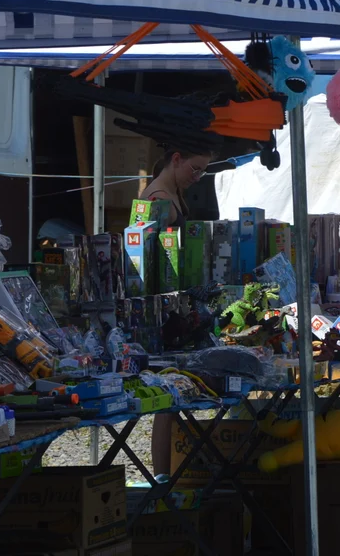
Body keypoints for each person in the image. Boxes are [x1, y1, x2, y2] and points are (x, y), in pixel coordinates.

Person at [140, 146, 211, 477]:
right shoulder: (157, 198)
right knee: (167, 401)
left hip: (177, 303)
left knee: (173, 398)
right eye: (195, 168)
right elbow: (136, 255)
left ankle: (170, 475)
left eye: (203, 172)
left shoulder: (173, 193)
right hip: (162, 310)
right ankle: (162, 477)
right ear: (177, 158)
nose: (196, 177)